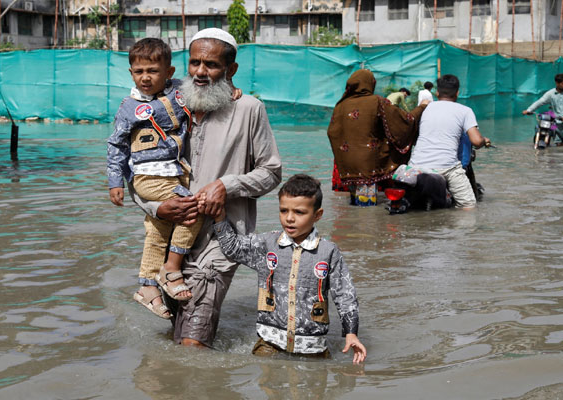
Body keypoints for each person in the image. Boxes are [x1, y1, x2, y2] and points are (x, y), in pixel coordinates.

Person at [131, 28, 282, 348]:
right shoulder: (166, 107)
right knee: (175, 332)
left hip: (218, 238)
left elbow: (271, 172)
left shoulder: (248, 109)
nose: (200, 72)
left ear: (231, 70)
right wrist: (155, 207)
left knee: (191, 343)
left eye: (211, 65)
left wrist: (226, 186)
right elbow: (138, 170)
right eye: (195, 62)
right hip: (168, 236)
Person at [210, 174, 366, 362]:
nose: (289, 218)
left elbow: (345, 295)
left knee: (317, 388)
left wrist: (351, 333)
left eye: (299, 212)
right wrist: (219, 219)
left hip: (313, 348)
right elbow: (233, 249)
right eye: (284, 211)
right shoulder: (267, 244)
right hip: (269, 344)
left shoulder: (328, 252)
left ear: (317, 215)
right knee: (268, 384)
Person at [107, 38, 203, 319]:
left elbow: (205, 85)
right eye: (139, 72)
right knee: (192, 209)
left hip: (175, 173)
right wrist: (115, 181)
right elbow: (117, 145)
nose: (145, 77)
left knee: (158, 228)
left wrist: (232, 92)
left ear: (169, 72)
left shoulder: (180, 91)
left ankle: (147, 287)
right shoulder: (129, 107)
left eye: (152, 71)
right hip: (148, 175)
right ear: (131, 73)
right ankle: (171, 269)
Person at [327, 69, 427, 206]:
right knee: (367, 211)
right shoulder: (377, 101)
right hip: (368, 166)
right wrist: (421, 107)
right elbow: (404, 121)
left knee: (354, 205)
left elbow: (332, 132)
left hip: (347, 166)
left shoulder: (340, 105)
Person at [408, 74, 490, 209]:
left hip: (416, 166)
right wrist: (483, 141)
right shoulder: (465, 111)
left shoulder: (424, 109)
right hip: (446, 167)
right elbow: (476, 141)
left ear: (437, 92)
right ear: (458, 93)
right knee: (468, 204)